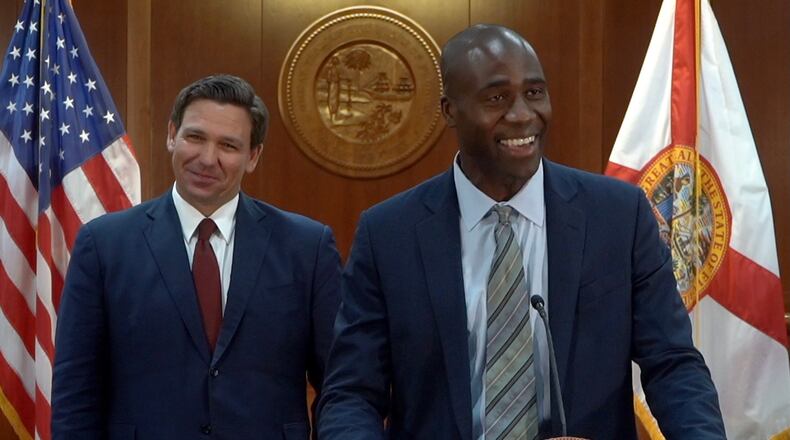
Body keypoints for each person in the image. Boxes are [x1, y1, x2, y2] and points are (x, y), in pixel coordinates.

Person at [317, 25, 726, 439]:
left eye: (534, 93)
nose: (522, 114)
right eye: (496, 98)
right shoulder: (389, 234)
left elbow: (673, 364)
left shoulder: (619, 217)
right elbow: (352, 393)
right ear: (449, 111)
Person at [52, 74, 341, 439]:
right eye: (195, 137)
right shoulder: (104, 245)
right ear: (172, 135)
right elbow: (76, 392)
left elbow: (338, 384)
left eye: (229, 146)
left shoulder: (307, 247)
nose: (207, 159)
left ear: (253, 156)